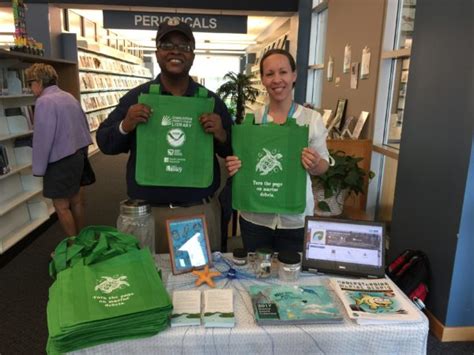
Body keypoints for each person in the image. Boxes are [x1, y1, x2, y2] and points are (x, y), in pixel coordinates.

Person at [96, 19, 233, 253]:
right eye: (167, 44)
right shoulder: (138, 97)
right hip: (147, 215)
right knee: (148, 284)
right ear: (157, 52)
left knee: (196, 285)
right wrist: (126, 124)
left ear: (192, 54)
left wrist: (221, 133)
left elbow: (233, 152)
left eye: (184, 46)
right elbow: (105, 142)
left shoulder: (210, 101)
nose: (175, 51)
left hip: (197, 212)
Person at [225, 49, 330, 252]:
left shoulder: (310, 119)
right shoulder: (252, 119)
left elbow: (323, 166)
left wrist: (316, 164)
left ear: (294, 75)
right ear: (263, 79)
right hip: (255, 218)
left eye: (283, 72)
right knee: (257, 274)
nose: (277, 80)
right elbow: (242, 165)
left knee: (291, 276)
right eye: (269, 74)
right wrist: (234, 165)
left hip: (295, 220)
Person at [26, 63, 93, 237]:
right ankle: (81, 241)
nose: (30, 87)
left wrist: (39, 168)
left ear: (39, 81)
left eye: (30, 82)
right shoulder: (69, 97)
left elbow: (43, 138)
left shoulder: (44, 101)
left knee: (61, 206)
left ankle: (73, 247)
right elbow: (84, 127)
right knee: (77, 200)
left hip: (59, 161)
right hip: (77, 156)